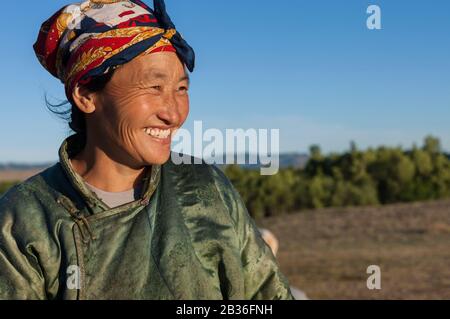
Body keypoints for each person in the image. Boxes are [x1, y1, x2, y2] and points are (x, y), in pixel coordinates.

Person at [0, 0, 294, 300]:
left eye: (181, 89)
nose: (174, 113)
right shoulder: (22, 221)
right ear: (86, 95)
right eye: (154, 88)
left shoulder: (205, 188)